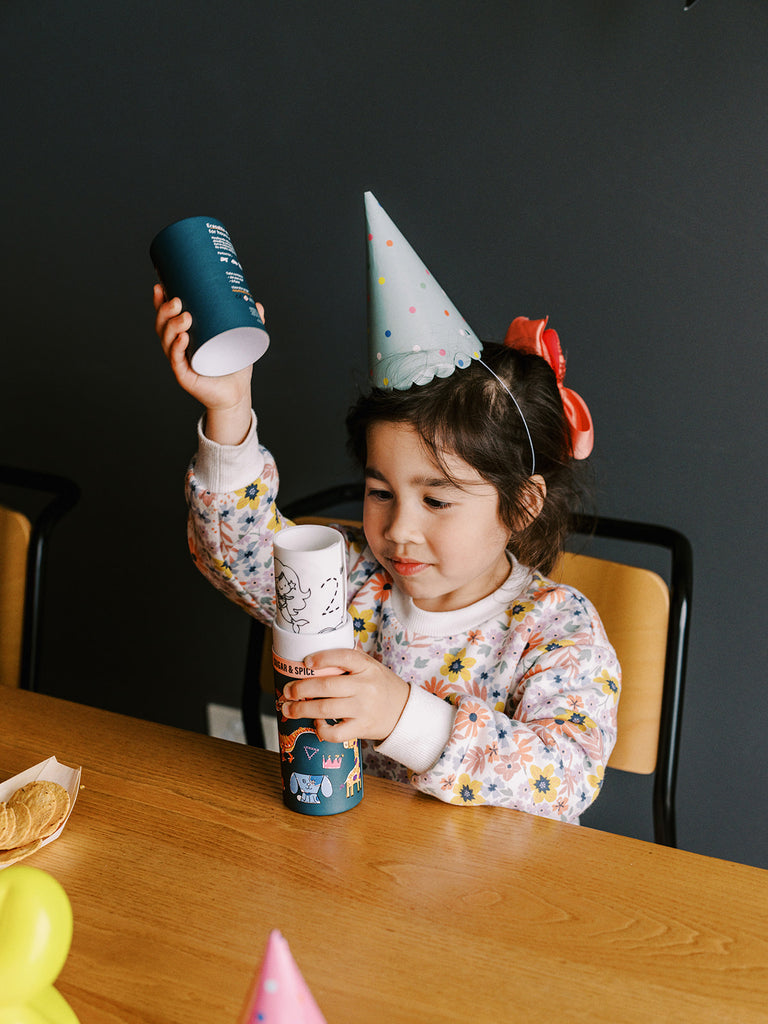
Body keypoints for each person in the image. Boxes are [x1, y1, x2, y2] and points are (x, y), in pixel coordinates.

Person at [153, 194, 620, 823]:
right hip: (347, 869)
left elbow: (565, 775)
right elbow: (232, 553)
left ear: (522, 504)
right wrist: (229, 409)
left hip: (488, 901)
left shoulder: (555, 631)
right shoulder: (348, 585)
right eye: (380, 492)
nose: (398, 529)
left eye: (436, 499)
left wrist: (404, 715)